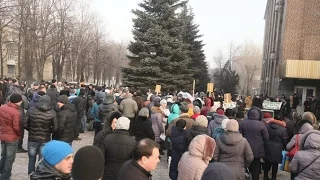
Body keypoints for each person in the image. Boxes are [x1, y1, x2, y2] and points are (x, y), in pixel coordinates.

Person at [25, 95, 56, 175]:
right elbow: (56, 127)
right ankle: (40, 176)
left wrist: (31, 129)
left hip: (32, 138)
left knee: (31, 159)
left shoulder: (31, 110)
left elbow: (24, 123)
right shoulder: (52, 112)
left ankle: (31, 175)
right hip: (45, 139)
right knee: (42, 160)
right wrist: (49, 131)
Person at [239, 107, 269, 180]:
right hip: (257, 149)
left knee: (245, 166)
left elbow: (240, 135)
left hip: (245, 148)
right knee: (256, 167)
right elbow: (266, 137)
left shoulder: (243, 123)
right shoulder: (261, 124)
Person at [0, 93, 23, 180]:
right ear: (18, 102)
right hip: (12, 138)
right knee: (9, 159)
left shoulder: (2, 108)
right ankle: (5, 177)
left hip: (3, 136)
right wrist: (19, 135)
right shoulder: (16, 112)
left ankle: (1, 172)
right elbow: (16, 127)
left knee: (4, 156)